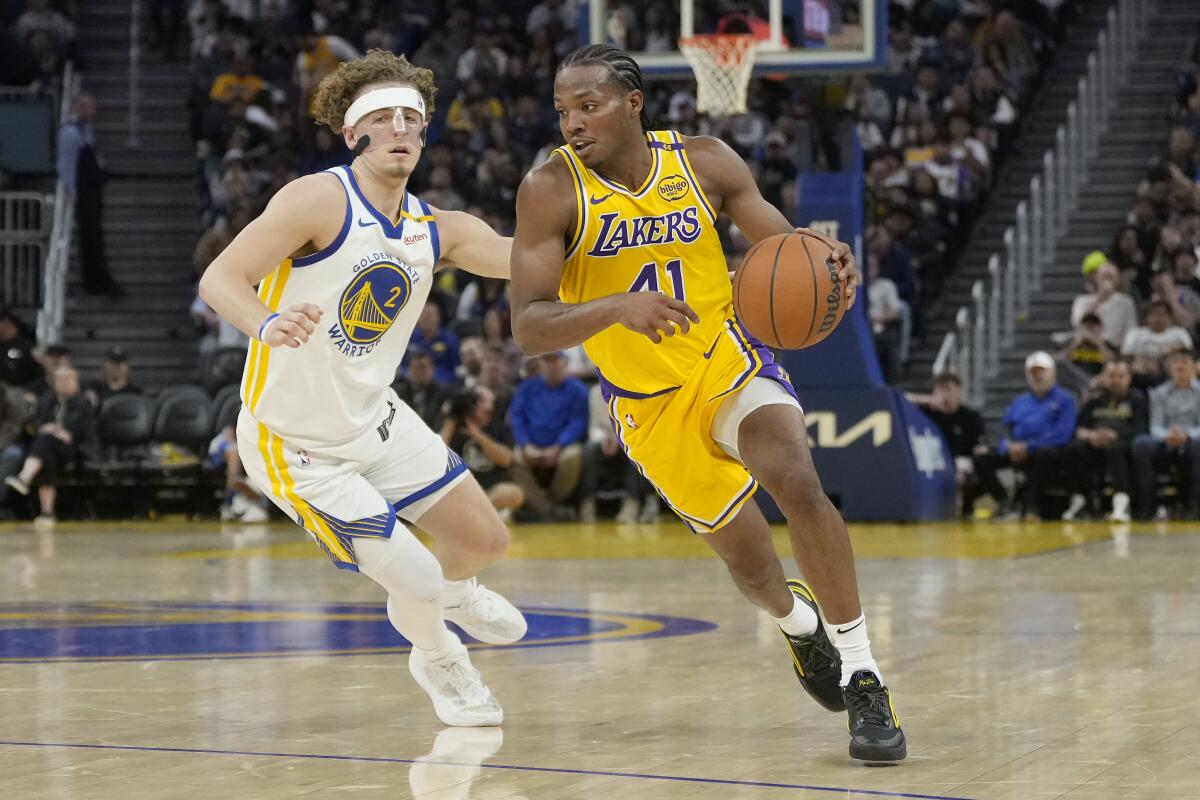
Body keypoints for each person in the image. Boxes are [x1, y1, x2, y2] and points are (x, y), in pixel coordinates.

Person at [509, 45, 904, 761]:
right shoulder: (549, 191)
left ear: (633, 102)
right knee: (754, 570)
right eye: (563, 110)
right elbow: (529, 327)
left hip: (725, 360)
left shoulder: (707, 162)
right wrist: (614, 308)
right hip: (648, 403)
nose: (572, 123)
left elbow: (784, 249)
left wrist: (826, 261)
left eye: (588, 106)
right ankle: (797, 625)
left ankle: (863, 672)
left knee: (798, 480)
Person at [197, 50, 526, 728]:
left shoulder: (438, 229)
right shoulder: (317, 199)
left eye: (412, 118)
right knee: (416, 580)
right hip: (294, 444)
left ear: (426, 132)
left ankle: (453, 594)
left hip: (375, 420)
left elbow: (530, 261)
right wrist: (265, 322)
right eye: (382, 118)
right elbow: (220, 279)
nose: (400, 128)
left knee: (485, 541)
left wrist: (611, 237)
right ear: (352, 134)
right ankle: (438, 659)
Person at [971, 352, 1077, 522]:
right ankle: (1004, 502)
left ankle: (1031, 504)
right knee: (982, 458)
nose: (1037, 376)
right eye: (1033, 372)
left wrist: (1030, 446)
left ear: (1053, 373)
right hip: (1017, 449)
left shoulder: (1065, 400)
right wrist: (1007, 446)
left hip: (1045, 451)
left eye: (1041, 371)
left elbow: (1063, 432)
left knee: (1047, 454)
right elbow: (1005, 427)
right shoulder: (1020, 401)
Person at [4, 366, 97, 528]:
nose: (64, 383)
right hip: (48, 450)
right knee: (46, 448)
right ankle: (47, 514)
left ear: (76, 382)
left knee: (45, 443)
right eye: (60, 380)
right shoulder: (46, 401)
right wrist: (44, 428)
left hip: (73, 449)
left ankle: (25, 478)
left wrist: (68, 434)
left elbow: (89, 431)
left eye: (68, 379)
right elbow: (32, 422)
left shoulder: (84, 404)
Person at [1059, 359, 1146, 522]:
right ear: (1103, 377)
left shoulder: (1137, 399)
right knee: (1072, 449)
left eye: (1120, 376)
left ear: (1129, 378)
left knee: (1116, 449)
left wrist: (1115, 435)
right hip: (1094, 442)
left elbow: (1141, 429)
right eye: (1111, 376)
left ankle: (1121, 502)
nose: (1115, 380)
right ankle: (1079, 500)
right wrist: (1091, 436)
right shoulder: (1094, 400)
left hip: (1122, 443)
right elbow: (1079, 428)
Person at [507, 350, 588, 519]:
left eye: (556, 360)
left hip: (561, 446)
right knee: (515, 459)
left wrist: (559, 446)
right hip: (531, 444)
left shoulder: (578, 390)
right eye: (547, 361)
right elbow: (516, 418)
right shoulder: (526, 388)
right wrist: (526, 444)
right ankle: (546, 510)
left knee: (572, 457)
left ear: (565, 364)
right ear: (540, 366)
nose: (552, 365)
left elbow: (578, 422)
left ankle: (552, 502)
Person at [57, 94, 121, 297]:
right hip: (84, 193)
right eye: (86, 107)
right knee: (90, 237)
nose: (91, 112)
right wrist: (72, 191)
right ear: (77, 107)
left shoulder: (86, 132)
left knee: (95, 237)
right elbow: (66, 165)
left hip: (93, 191)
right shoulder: (70, 133)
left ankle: (99, 279)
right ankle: (95, 281)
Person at [1132, 350, 1200, 520]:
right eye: (1176, 362)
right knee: (1141, 443)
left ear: (1194, 367)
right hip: (1164, 439)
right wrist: (1168, 436)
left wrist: (1187, 435)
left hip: (1193, 439)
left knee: (1197, 445)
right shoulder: (1158, 393)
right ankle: (1146, 505)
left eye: (1185, 361)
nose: (1180, 365)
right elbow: (1155, 425)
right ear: (1169, 367)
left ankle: (1194, 504)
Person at [440, 386, 525, 520]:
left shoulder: (499, 428)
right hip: (461, 489)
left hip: (490, 489)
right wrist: (451, 418)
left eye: (480, 400)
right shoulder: (454, 426)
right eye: (474, 401)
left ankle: (472, 513)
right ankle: (482, 514)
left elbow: (506, 459)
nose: (476, 405)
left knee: (514, 493)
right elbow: (436, 457)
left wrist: (476, 434)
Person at [907, 373, 985, 515]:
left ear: (958, 390)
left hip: (962, 461)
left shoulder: (971, 417)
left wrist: (967, 465)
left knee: (973, 472)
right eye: (940, 389)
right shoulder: (926, 413)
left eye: (948, 389)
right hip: (934, 461)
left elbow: (978, 448)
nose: (944, 394)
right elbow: (902, 398)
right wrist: (926, 400)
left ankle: (966, 507)